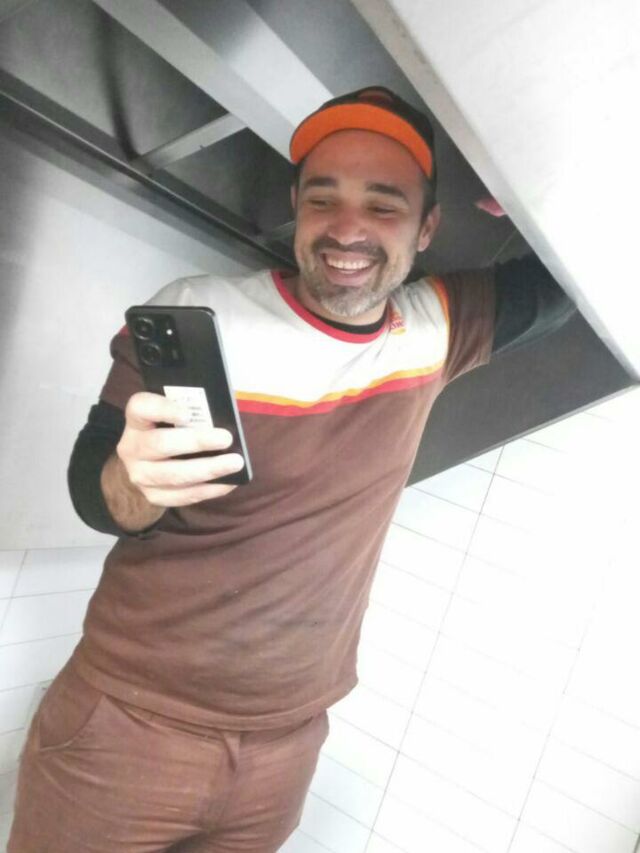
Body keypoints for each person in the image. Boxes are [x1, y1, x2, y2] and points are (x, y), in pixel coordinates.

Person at [9, 86, 573, 852]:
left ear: (428, 227)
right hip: (129, 728)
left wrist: (534, 190)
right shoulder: (200, 311)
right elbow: (95, 488)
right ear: (296, 209)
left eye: (383, 204)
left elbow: (561, 285)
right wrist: (131, 483)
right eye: (323, 198)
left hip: (287, 746)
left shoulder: (436, 328)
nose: (348, 227)